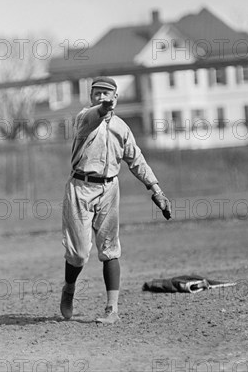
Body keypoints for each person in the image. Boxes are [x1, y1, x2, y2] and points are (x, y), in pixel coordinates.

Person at [60, 76, 172, 324]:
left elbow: (136, 160)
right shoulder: (83, 119)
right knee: (78, 254)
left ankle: (112, 309)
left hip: (110, 188)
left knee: (110, 249)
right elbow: (96, 115)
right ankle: (69, 288)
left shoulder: (121, 128)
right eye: (97, 93)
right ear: (91, 97)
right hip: (80, 188)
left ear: (116, 97)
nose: (102, 97)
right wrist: (103, 108)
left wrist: (156, 189)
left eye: (107, 94)